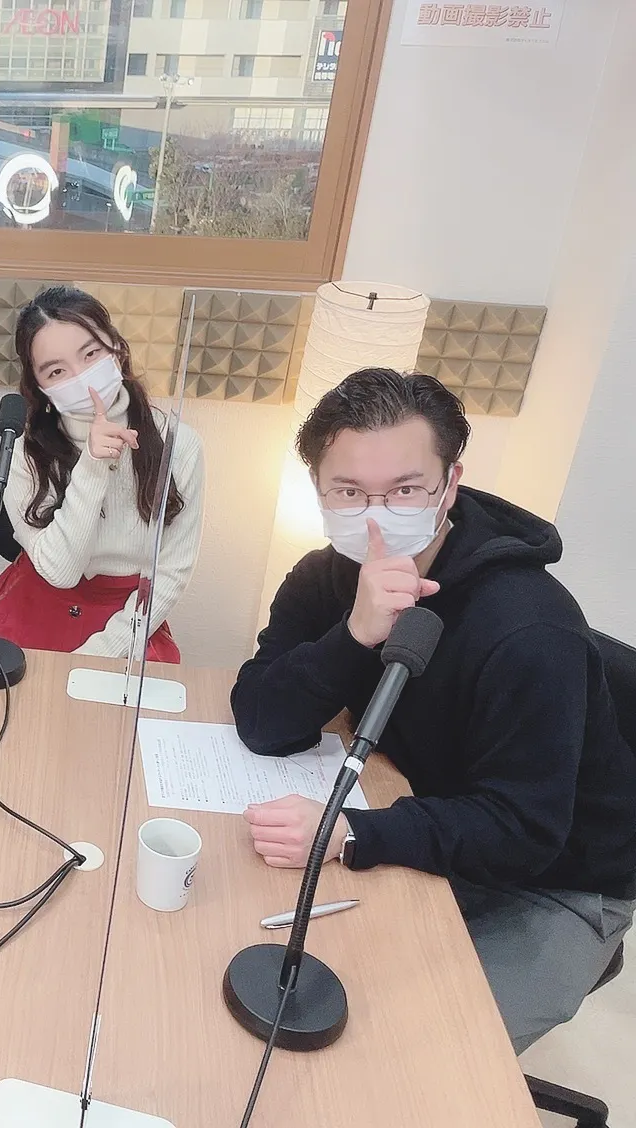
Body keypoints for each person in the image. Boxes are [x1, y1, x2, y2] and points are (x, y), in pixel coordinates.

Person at [232, 367, 636, 1054]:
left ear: (449, 485)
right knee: (276, 982)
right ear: (319, 491)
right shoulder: (326, 577)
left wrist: (352, 834)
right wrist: (354, 634)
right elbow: (261, 720)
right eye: (349, 491)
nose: (376, 514)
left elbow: (525, 829)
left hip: (555, 884)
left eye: (405, 490)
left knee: (417, 1058)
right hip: (420, 810)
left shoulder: (530, 629)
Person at [0, 286, 204, 660]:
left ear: (117, 349)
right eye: (57, 371)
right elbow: (60, 572)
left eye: (91, 354)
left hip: (129, 619)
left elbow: (172, 572)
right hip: (35, 604)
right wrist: (93, 465)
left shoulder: (179, 445)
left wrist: (100, 653)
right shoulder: (22, 450)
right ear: (40, 388)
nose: (82, 377)